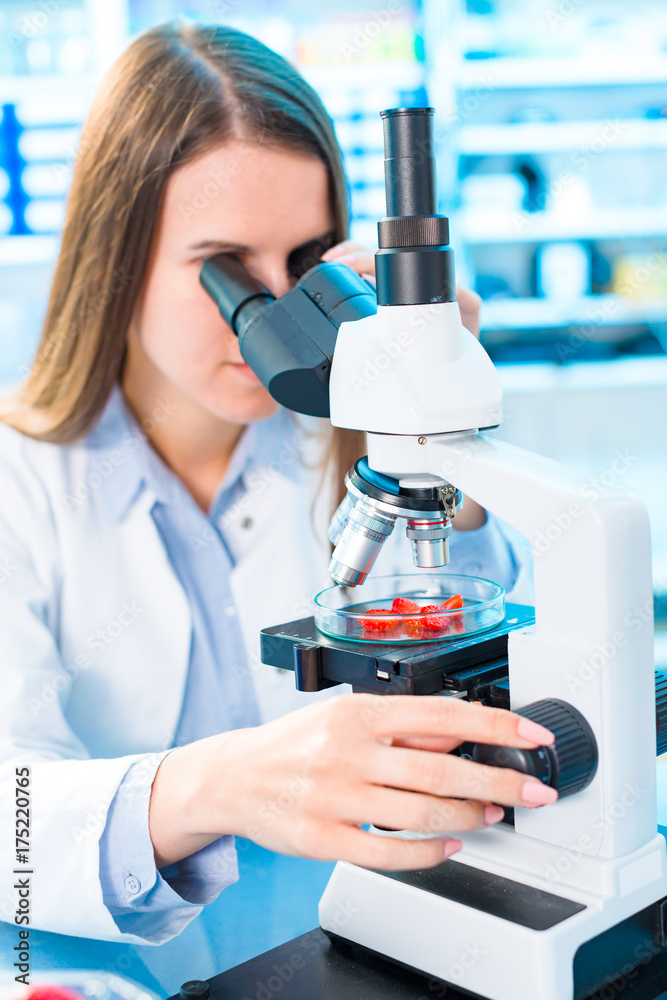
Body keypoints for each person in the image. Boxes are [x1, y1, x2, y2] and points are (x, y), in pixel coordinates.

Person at [0, 22, 553, 947]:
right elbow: (9, 830)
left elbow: (497, 644)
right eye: (225, 273)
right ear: (118, 259)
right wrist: (215, 786)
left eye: (300, 266)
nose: (270, 314)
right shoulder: (19, 482)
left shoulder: (353, 442)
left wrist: (443, 432)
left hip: (351, 941)